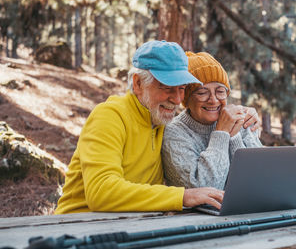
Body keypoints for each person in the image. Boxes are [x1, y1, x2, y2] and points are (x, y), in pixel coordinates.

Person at [55, 41, 224, 214]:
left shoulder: (161, 122)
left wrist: (237, 119)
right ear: (138, 84)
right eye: (166, 88)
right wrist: (182, 197)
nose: (176, 98)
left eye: (181, 88)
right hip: (75, 226)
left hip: (131, 227)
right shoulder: (109, 116)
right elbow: (101, 192)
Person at [162, 51, 263, 190]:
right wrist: (221, 133)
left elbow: (261, 178)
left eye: (220, 91)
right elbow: (206, 188)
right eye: (202, 92)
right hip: (197, 212)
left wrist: (234, 137)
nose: (214, 100)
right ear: (187, 100)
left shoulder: (241, 120)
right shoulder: (174, 133)